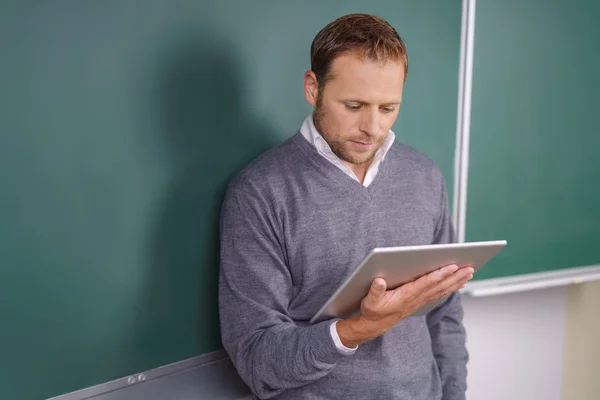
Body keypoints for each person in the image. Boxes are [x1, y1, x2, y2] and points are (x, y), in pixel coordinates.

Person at [218, 13, 473, 400]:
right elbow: (257, 356)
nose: (372, 127)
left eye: (388, 108)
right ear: (312, 87)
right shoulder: (260, 192)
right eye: (354, 106)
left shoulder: (423, 176)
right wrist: (357, 329)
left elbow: (445, 314)